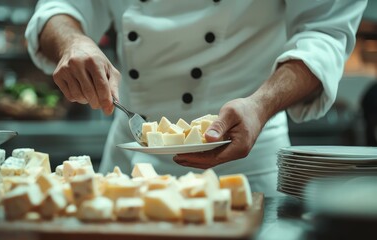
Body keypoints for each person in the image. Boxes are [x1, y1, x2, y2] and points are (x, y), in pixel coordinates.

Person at [25, 0, 367, 196]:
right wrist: (73, 42)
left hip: (242, 166)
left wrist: (261, 105)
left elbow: (324, 33)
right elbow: (60, 8)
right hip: (127, 166)